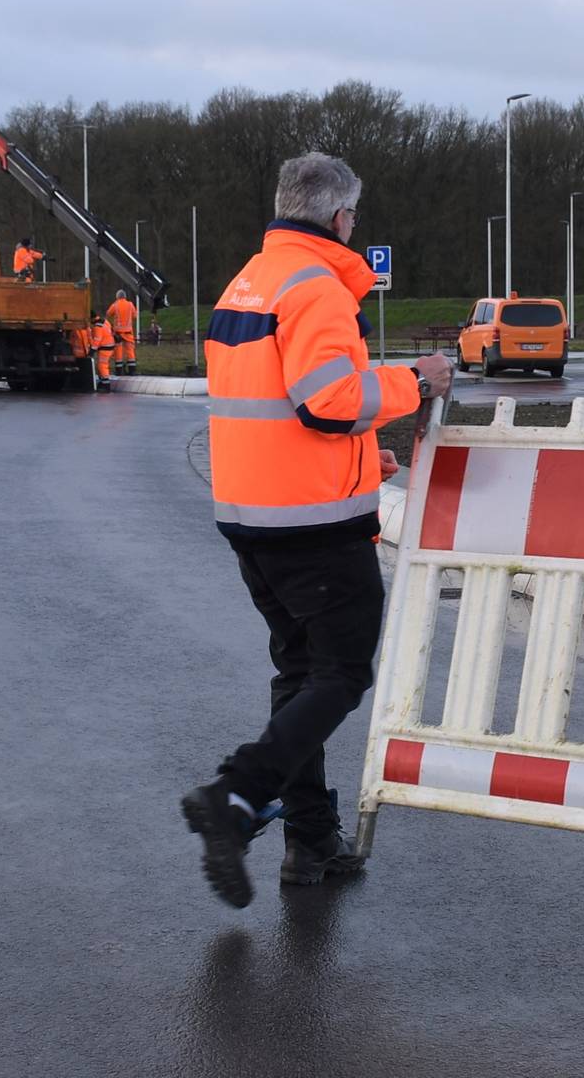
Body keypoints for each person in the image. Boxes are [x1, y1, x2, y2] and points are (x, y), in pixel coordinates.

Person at [181, 151, 452, 907]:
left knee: (301, 676)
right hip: (314, 528)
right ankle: (234, 798)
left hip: (253, 519)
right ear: (341, 218)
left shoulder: (252, 278)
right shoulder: (319, 287)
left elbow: (277, 408)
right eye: (355, 218)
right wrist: (416, 380)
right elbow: (327, 400)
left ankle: (311, 842)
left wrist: (369, 464)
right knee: (340, 675)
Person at [106, 288, 140, 374]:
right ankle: (132, 371)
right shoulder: (130, 304)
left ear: (117, 297)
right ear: (125, 297)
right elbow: (135, 316)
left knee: (118, 352)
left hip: (118, 334)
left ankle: (119, 371)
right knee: (130, 352)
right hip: (128, 332)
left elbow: (108, 314)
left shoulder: (115, 305)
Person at [84, 314, 115, 389]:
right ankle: (103, 382)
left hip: (105, 348)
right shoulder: (105, 322)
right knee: (102, 365)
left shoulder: (97, 327)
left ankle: (106, 384)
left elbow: (97, 340)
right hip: (109, 346)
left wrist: (92, 350)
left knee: (102, 365)